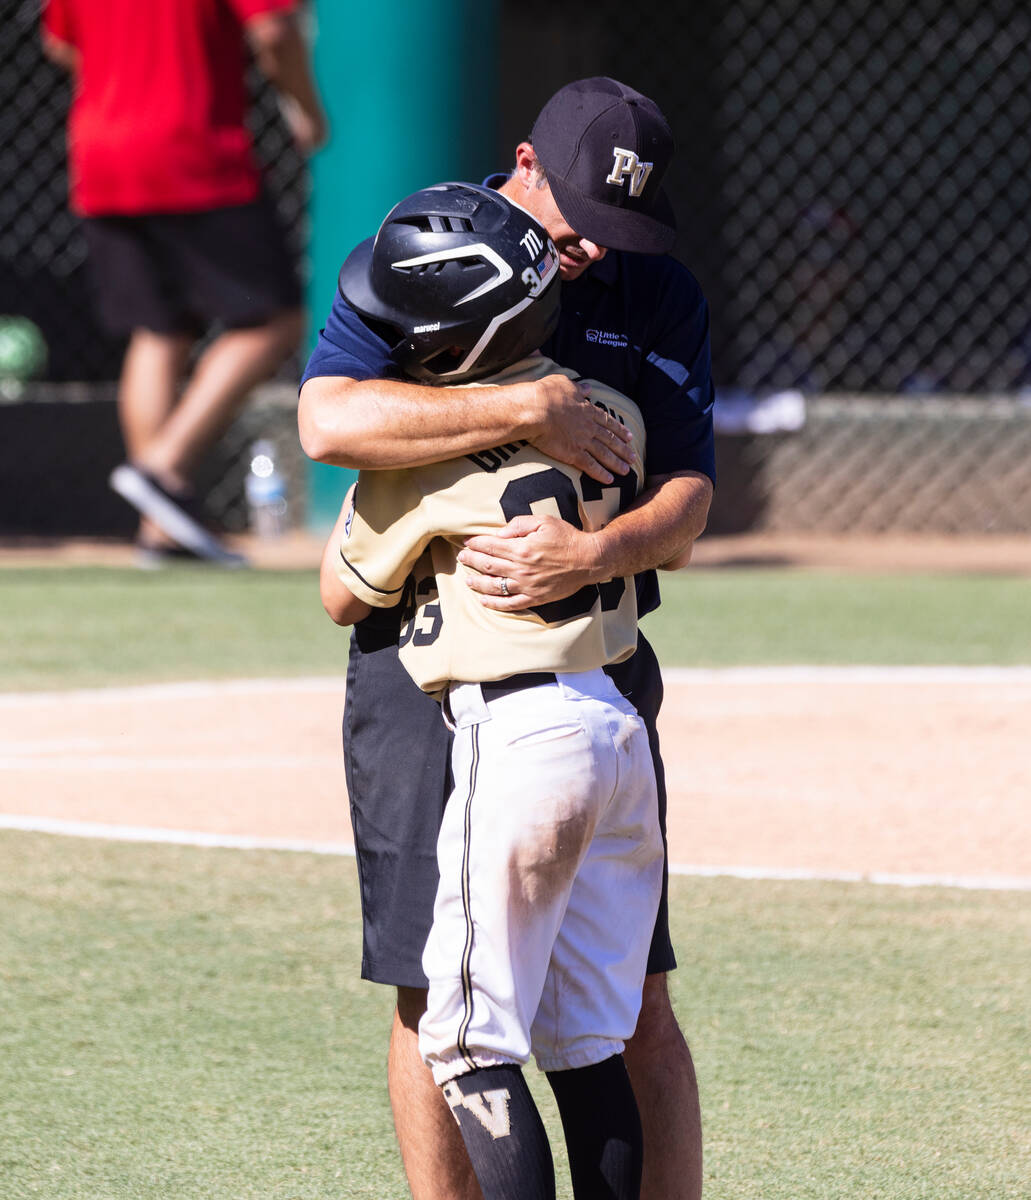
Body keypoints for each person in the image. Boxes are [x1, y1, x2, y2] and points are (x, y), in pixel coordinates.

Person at [299, 77, 714, 1200]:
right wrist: (520, 411)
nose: (588, 249)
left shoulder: (654, 291)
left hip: (597, 661)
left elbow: (687, 497)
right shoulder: (428, 250)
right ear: (522, 163)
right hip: (424, 665)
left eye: (613, 228)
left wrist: (593, 555)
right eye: (575, 218)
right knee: (429, 995)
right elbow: (330, 416)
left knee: (628, 1004)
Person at [41, 0, 327, 566]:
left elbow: (59, 43)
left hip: (100, 156)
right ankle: (162, 468)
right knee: (276, 321)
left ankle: (160, 531)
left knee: (159, 331)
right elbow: (274, 30)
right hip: (195, 154)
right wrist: (307, 110)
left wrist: (121, 76)